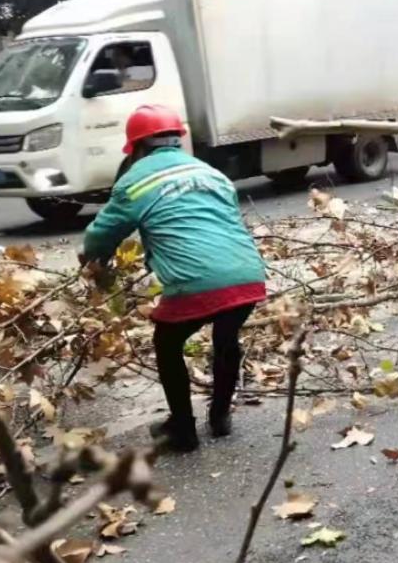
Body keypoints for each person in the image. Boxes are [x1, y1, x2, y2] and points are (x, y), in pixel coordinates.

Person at [80, 105, 267, 452]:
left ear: (136, 148)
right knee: (226, 338)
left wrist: (94, 263)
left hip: (194, 282)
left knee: (167, 343)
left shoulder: (134, 181)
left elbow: (98, 238)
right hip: (247, 275)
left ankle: (182, 429)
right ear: (176, 142)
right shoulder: (212, 174)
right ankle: (220, 416)